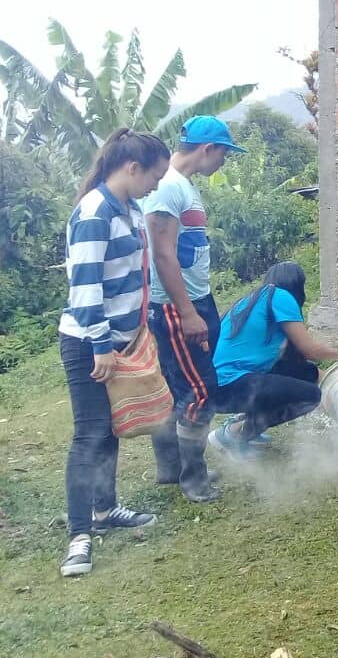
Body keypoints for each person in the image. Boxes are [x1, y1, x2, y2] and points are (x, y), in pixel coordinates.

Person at [57, 128, 171, 577]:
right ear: (132, 167)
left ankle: (105, 510)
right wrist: (102, 347)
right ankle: (79, 536)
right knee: (89, 435)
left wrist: (139, 330)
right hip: (89, 343)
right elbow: (85, 288)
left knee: (110, 430)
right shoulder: (94, 212)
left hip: (121, 341)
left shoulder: (131, 209)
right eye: (154, 177)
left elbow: (134, 276)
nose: (156, 186)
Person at [144, 116, 244, 503]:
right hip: (177, 305)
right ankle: (193, 478)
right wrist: (187, 312)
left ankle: (172, 468)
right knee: (200, 391)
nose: (223, 161)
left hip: (194, 299)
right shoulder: (168, 187)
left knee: (181, 389)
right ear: (207, 149)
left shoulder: (181, 185)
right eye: (223, 154)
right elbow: (162, 255)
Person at [208, 261, 338, 457]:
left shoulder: (253, 300)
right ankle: (232, 434)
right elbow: (310, 350)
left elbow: (297, 364)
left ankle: (248, 428)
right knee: (310, 395)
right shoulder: (280, 296)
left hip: (219, 384)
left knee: (305, 373)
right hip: (229, 386)